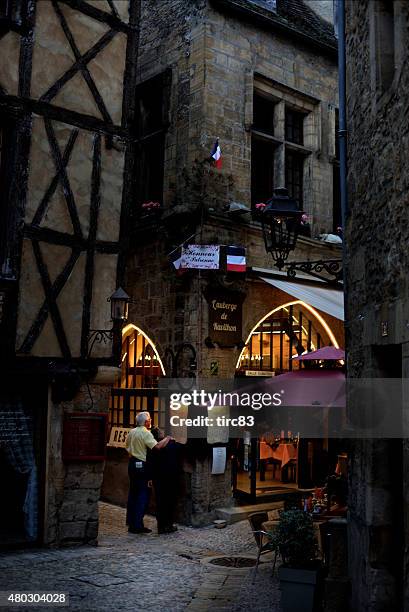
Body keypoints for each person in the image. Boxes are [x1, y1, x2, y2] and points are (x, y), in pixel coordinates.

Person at [126, 412, 171, 534]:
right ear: (146, 422)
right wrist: (167, 438)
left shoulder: (132, 431)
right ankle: (137, 525)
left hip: (132, 464)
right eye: (149, 419)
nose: (150, 421)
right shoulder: (146, 433)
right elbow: (157, 447)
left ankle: (131, 523)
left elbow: (127, 448)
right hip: (142, 466)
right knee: (143, 495)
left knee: (133, 493)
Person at [149, 427, 181, 534]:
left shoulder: (153, 446)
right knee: (169, 502)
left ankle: (161, 526)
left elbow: (151, 462)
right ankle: (168, 525)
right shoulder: (172, 444)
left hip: (158, 478)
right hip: (170, 477)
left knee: (160, 502)